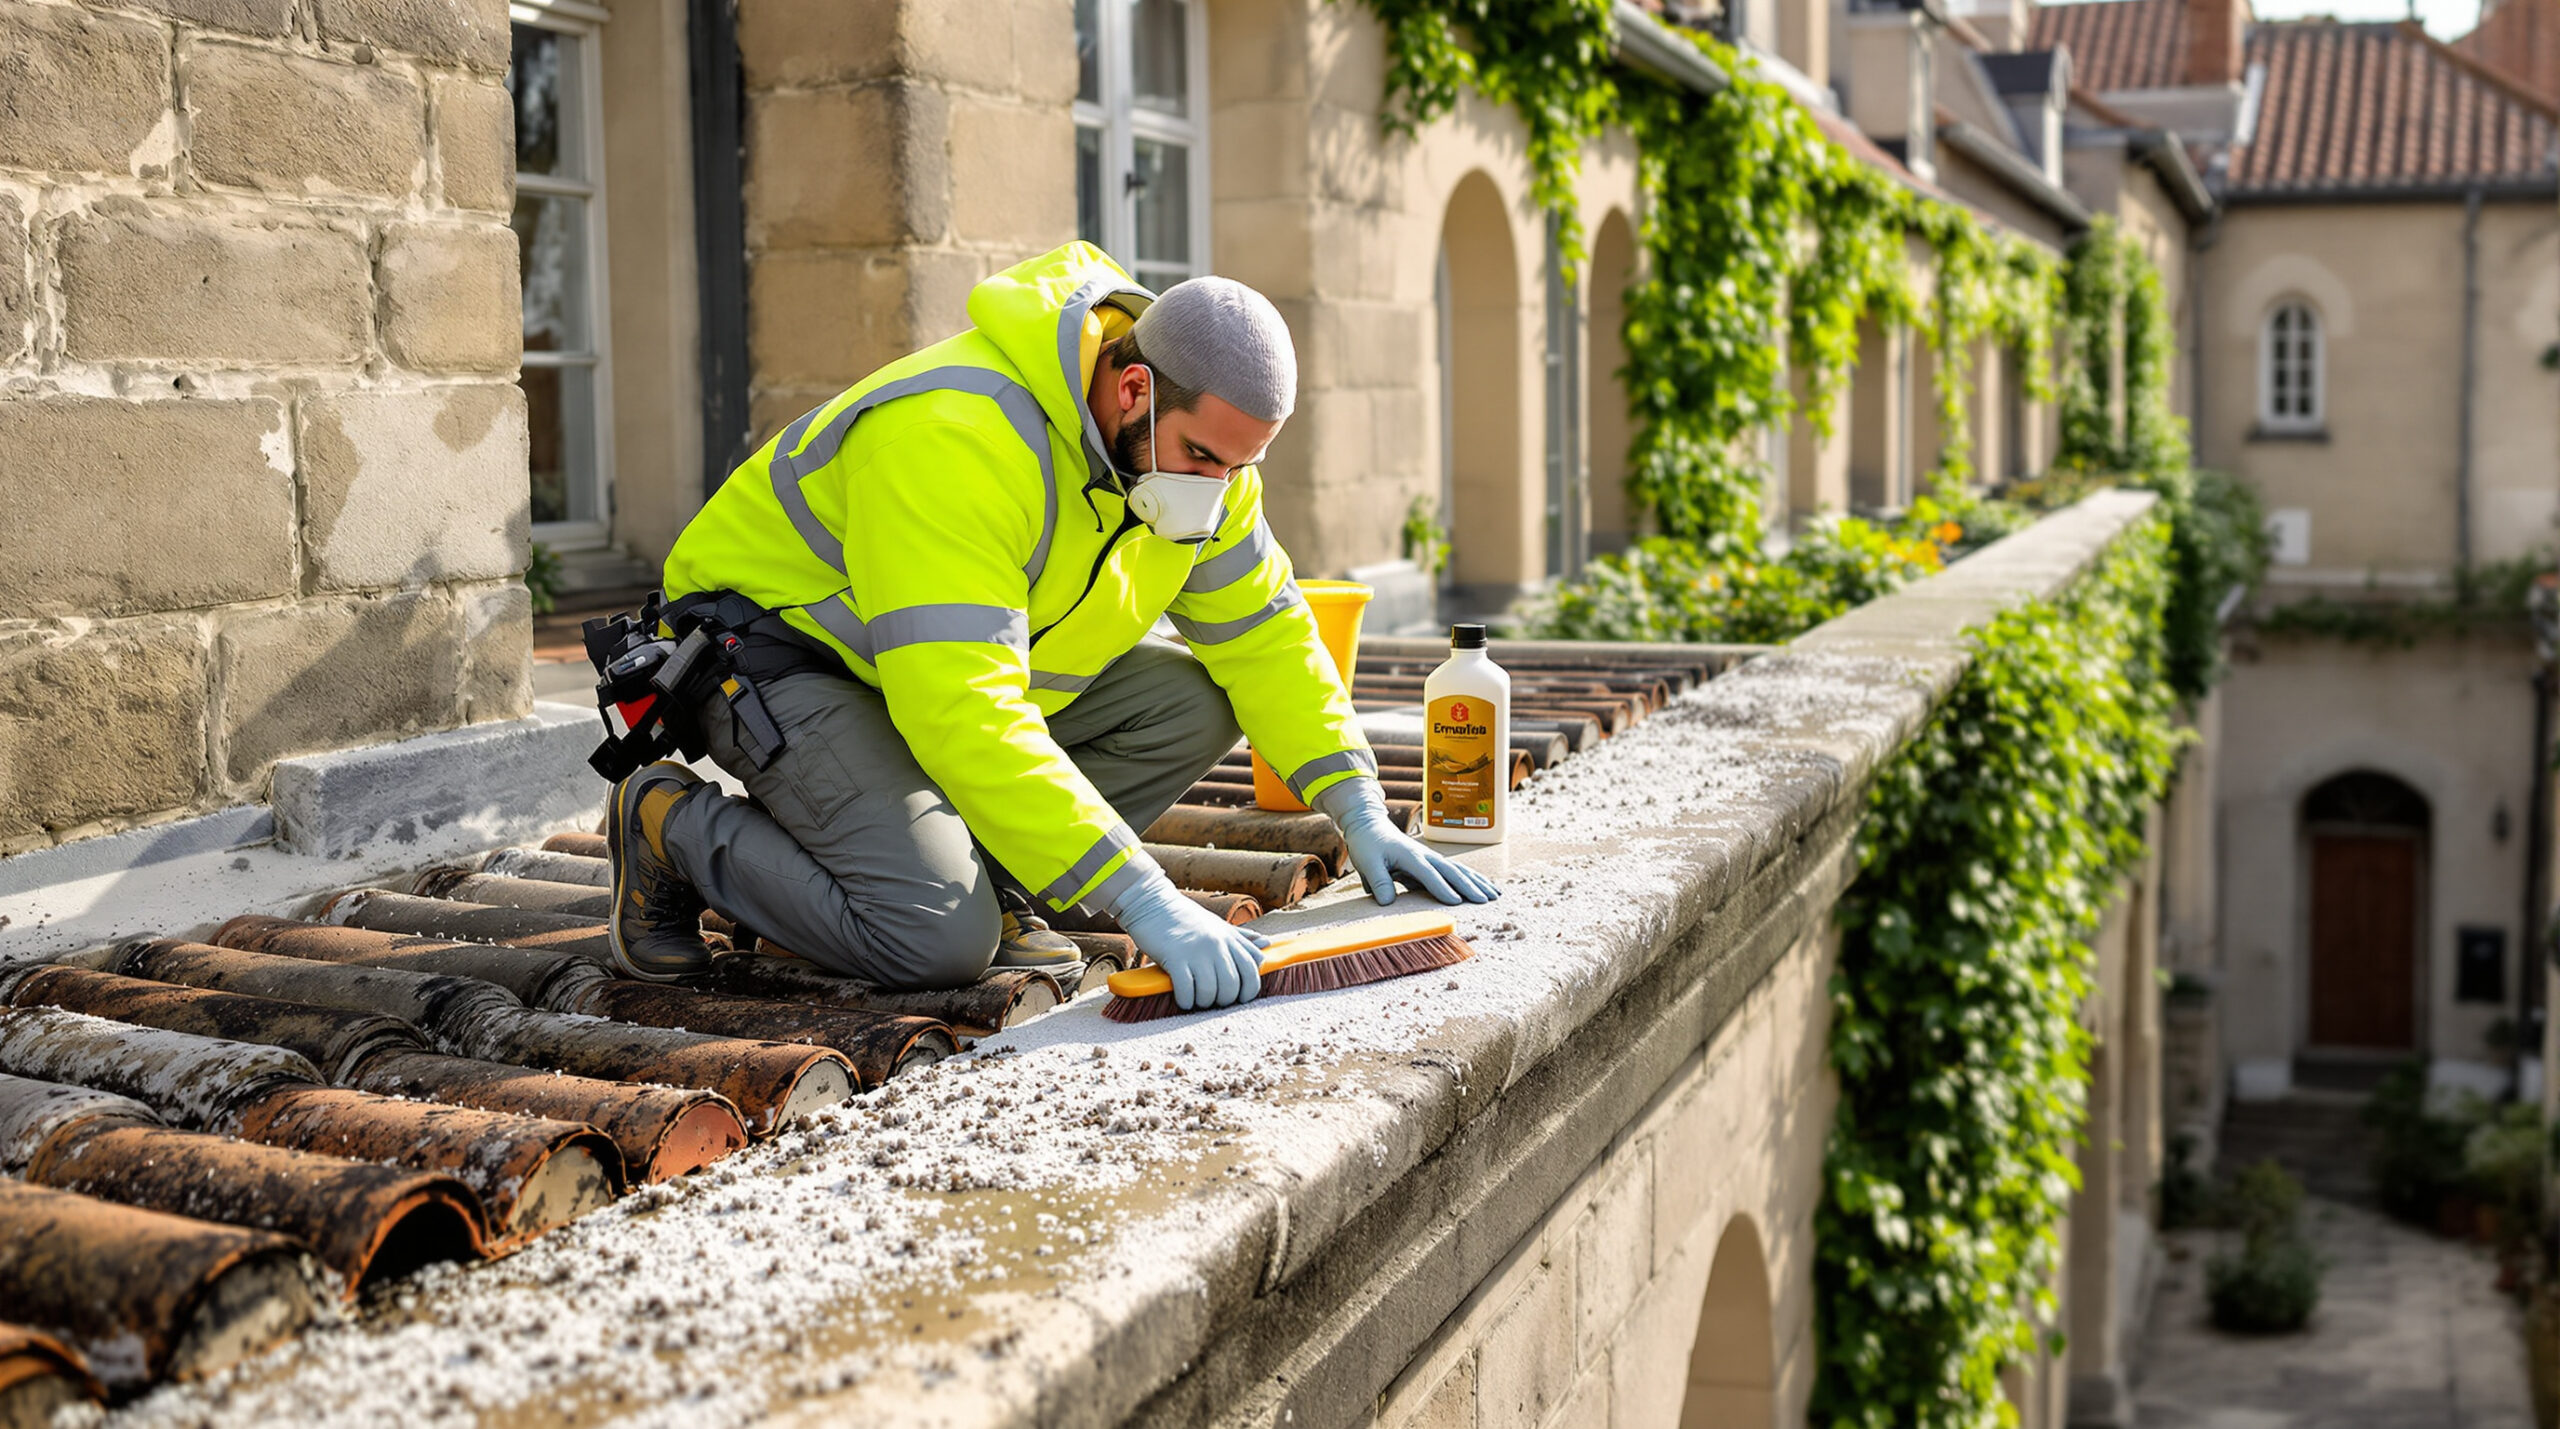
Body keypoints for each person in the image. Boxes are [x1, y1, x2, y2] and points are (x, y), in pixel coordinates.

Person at [604, 241, 1496, 1011]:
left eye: (1241, 466)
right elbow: (964, 708)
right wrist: (1141, 895)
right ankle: (668, 826)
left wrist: (1358, 805)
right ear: (1135, 388)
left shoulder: (1199, 460)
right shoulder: (956, 436)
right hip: (777, 660)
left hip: (920, 680)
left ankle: (957, 875)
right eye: (1203, 458)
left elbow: (1265, 634)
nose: (1218, 490)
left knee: (1190, 701)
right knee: (938, 939)